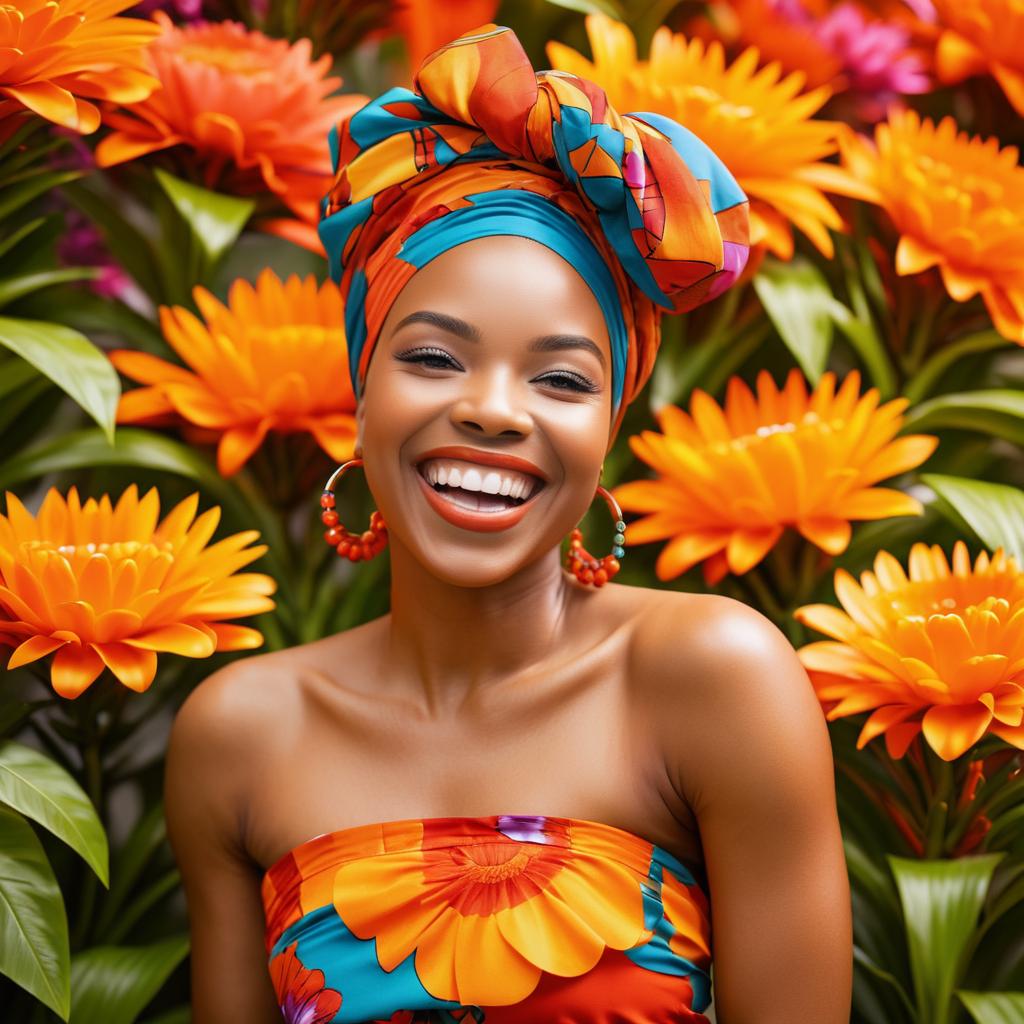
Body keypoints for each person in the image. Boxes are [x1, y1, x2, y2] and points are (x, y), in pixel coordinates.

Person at [164, 22, 853, 1024]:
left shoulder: (714, 680)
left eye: (561, 378)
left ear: (608, 427)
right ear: (361, 394)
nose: (493, 408)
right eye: (435, 358)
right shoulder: (240, 737)